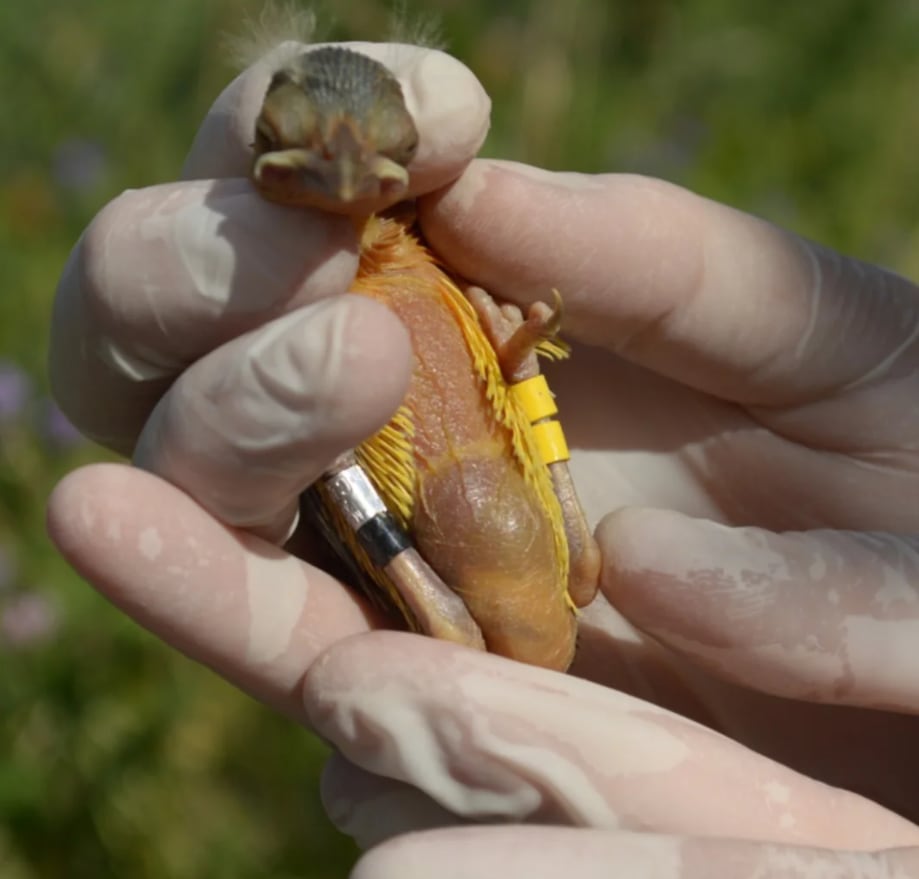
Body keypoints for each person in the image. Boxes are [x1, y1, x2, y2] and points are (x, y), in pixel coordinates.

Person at [48, 42, 919, 877]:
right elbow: (527, 449)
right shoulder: (571, 567)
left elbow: (524, 448)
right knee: (352, 435)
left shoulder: (560, 564)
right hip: (482, 551)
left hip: (477, 569)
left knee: (457, 536)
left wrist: (509, 377)